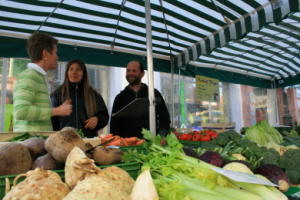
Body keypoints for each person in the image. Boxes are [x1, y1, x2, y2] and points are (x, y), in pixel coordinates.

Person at [13, 32, 72, 132]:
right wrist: (57, 111)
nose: (57, 57)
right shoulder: (30, 76)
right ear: (45, 54)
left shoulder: (37, 76)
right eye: (55, 52)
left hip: (35, 143)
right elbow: (21, 111)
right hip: (29, 144)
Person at [110, 60, 171, 138]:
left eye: (134, 71)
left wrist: (161, 136)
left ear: (142, 74)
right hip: (128, 146)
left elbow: (164, 117)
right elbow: (114, 125)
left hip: (152, 144)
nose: (130, 73)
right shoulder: (120, 97)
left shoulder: (153, 93)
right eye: (128, 71)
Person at [51, 59, 109, 138]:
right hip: (64, 141)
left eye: (78, 69)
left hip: (88, 141)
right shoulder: (57, 94)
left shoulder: (94, 95)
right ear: (67, 73)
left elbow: (104, 116)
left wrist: (97, 119)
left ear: (83, 73)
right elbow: (52, 120)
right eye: (71, 69)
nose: (74, 72)